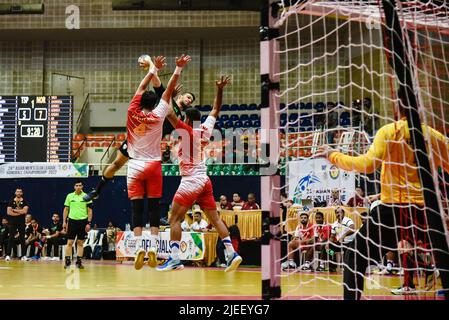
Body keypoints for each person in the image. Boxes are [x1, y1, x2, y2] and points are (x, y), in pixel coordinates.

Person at [316, 86, 449, 298]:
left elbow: (367, 164)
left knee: (355, 256)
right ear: (420, 108)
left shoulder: (389, 131)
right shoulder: (433, 136)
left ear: (398, 106)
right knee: (444, 259)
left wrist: (333, 155)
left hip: (393, 211)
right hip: (426, 211)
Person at [157, 75, 242, 272]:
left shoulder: (186, 130)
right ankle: (232, 253)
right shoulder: (205, 129)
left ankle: (175, 259)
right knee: (215, 219)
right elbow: (216, 109)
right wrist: (219, 89)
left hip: (191, 181)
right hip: (205, 180)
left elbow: (168, 112)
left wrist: (170, 94)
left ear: (187, 118)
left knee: (174, 220)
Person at [83, 55, 195, 202]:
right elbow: (156, 82)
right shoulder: (166, 100)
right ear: (180, 95)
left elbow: (183, 131)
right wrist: (151, 65)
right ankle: (97, 190)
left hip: (150, 147)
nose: (188, 100)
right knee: (116, 164)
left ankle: (151, 205)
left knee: (147, 183)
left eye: (191, 100)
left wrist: (151, 65)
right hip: (137, 138)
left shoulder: (180, 115)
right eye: (187, 97)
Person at [126, 54, 189, 270]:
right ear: (155, 105)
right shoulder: (159, 114)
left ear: (140, 101)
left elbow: (142, 87)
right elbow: (168, 92)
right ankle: (153, 247)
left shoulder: (131, 112)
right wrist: (176, 69)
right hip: (153, 165)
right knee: (153, 207)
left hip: (134, 165)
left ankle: (137, 248)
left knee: (136, 208)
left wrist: (151, 70)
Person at [62, 181, 93, 269]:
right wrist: (64, 221)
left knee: (80, 242)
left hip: (83, 222)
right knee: (70, 242)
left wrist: (88, 223)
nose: (78, 187)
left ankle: (79, 262)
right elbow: (66, 209)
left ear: (82, 186)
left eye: (80, 185)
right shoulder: (69, 196)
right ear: (74, 187)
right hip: (72, 221)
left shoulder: (87, 196)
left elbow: (90, 210)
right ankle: (67, 261)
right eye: (76, 185)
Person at [327, 207, 355, 272]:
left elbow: (352, 229)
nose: (338, 214)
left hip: (350, 242)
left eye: (340, 212)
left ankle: (347, 268)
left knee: (347, 252)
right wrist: (328, 243)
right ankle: (333, 265)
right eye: (337, 213)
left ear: (343, 213)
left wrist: (343, 236)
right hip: (340, 243)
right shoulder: (334, 224)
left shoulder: (348, 220)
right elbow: (332, 237)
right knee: (327, 248)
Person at [5, 188, 29, 261]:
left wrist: (14, 210)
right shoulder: (11, 202)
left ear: (22, 193)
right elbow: (9, 212)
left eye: (20, 192)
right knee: (11, 238)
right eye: (17, 192)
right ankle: (8, 255)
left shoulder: (25, 202)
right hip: (13, 222)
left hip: (21, 222)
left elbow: (25, 211)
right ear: (15, 193)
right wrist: (19, 212)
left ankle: (24, 255)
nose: (19, 193)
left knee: (22, 238)